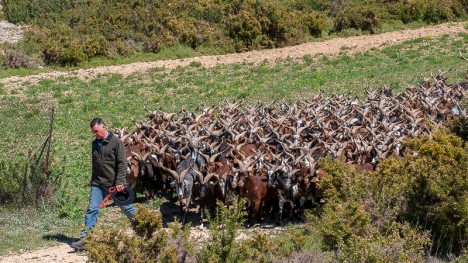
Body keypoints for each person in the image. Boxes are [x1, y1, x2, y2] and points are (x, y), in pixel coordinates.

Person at [70, 118, 135, 250]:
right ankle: (85, 239)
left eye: (96, 131)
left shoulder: (116, 142)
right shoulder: (95, 144)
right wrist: (94, 181)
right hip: (98, 184)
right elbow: (96, 165)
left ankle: (145, 226)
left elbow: (122, 163)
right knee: (92, 208)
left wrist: (119, 182)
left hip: (115, 184)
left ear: (104, 127)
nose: (95, 134)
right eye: (93, 132)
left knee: (127, 208)